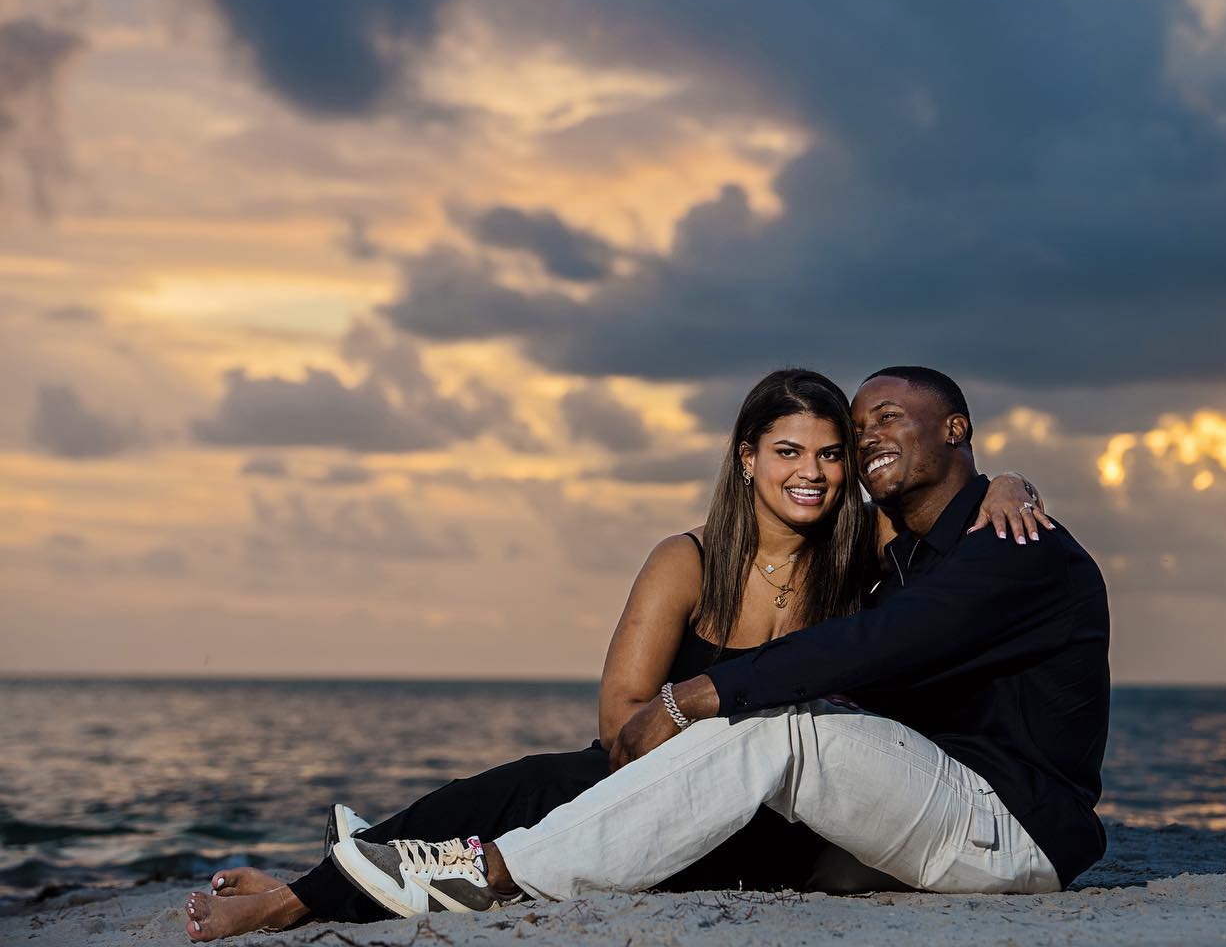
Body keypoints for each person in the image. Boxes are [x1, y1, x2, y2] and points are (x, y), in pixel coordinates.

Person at [179, 368, 1050, 940]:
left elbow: (951, 504)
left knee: (548, 812)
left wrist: (1005, 485)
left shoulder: (860, 554)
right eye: (788, 452)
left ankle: (357, 880)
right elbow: (618, 724)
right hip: (659, 779)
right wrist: (687, 739)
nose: (813, 473)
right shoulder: (688, 561)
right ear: (747, 460)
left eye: (830, 455)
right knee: (533, 781)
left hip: (781, 813)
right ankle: (313, 888)